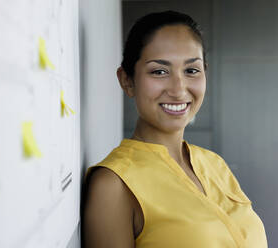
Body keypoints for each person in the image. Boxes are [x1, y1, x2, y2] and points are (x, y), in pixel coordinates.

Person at [81, 10, 268, 248]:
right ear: (127, 81)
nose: (179, 89)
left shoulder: (215, 164)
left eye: (191, 70)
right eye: (159, 71)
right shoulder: (114, 185)